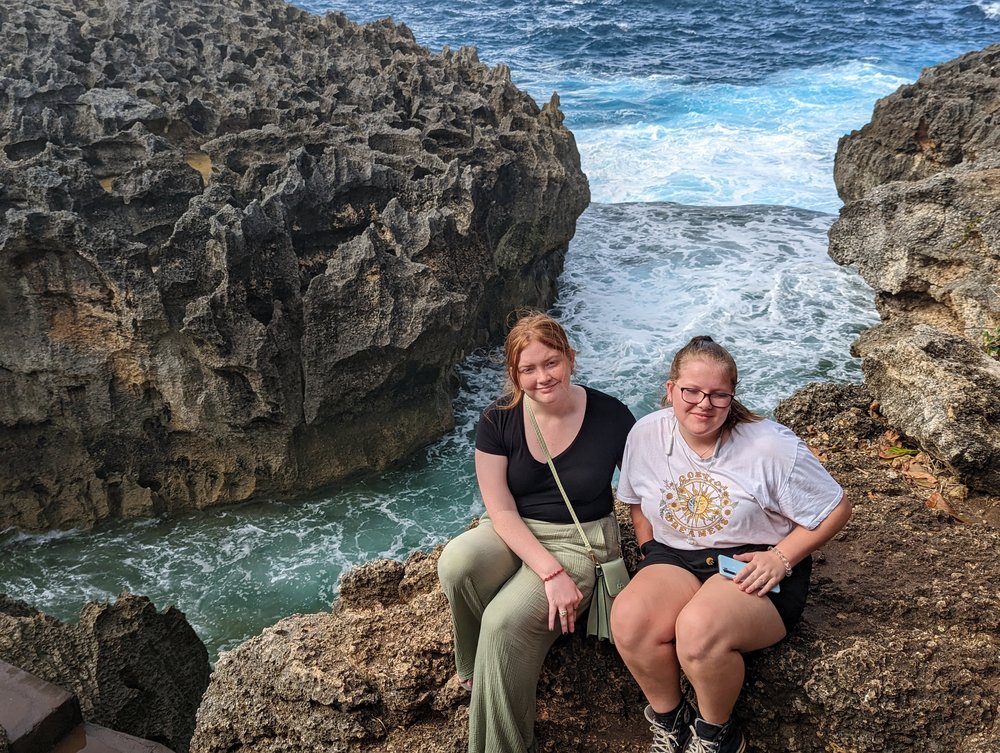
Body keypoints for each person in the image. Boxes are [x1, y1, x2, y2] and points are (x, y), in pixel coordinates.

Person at [610, 335, 851, 753]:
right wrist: (650, 552)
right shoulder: (646, 434)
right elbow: (636, 503)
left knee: (698, 632)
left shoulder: (770, 446)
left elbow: (836, 507)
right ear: (670, 390)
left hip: (752, 559)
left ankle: (715, 733)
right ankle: (670, 720)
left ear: (732, 397)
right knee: (629, 619)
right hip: (675, 556)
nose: (704, 404)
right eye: (691, 391)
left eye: (718, 395)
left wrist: (781, 557)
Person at [437, 311, 636, 753]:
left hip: (581, 540)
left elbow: (644, 492)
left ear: (570, 359)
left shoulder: (611, 415)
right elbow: (500, 508)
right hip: (517, 531)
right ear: (514, 374)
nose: (542, 377)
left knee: (503, 624)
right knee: (456, 562)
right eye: (528, 369)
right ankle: (473, 670)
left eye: (551, 363)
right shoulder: (498, 420)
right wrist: (548, 573)